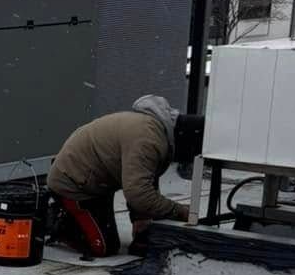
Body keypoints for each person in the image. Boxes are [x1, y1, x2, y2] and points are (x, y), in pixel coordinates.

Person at [47, 94, 190, 258]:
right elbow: (139, 194)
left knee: (109, 235)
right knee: (102, 247)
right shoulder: (148, 139)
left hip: (96, 182)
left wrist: (141, 221)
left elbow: (143, 179)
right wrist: (179, 211)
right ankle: (56, 223)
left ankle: (77, 217)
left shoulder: (154, 131)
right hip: (72, 184)